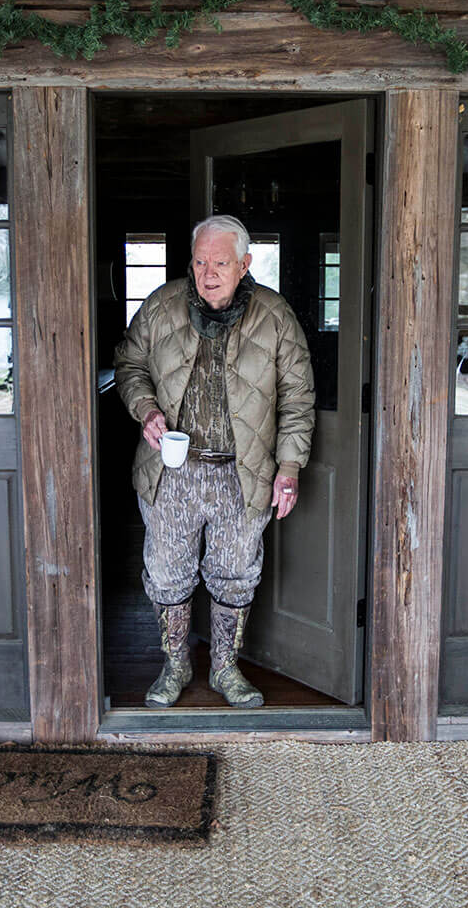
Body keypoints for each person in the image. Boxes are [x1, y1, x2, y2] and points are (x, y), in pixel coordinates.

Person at [113, 214, 315, 708]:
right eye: (200, 262)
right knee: (166, 570)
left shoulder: (275, 316)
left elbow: (298, 398)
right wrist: (146, 410)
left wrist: (288, 469)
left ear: (244, 264)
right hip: (170, 471)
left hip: (241, 473)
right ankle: (175, 664)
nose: (208, 273)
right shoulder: (163, 305)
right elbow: (129, 363)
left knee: (236, 571)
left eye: (220, 263)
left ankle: (225, 667)